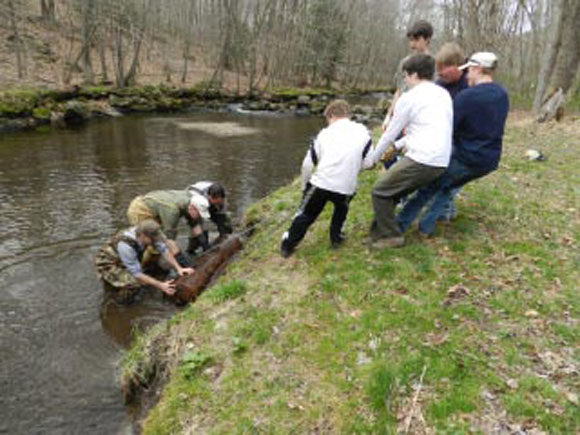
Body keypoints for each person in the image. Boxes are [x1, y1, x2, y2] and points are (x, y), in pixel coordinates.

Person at [396, 52, 509, 236]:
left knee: (428, 187)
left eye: (469, 71)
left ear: (478, 69)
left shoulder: (466, 97)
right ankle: (426, 227)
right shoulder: (502, 94)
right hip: (490, 161)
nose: (466, 76)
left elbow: (446, 129)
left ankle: (398, 225)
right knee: (447, 187)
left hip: (468, 157)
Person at [366, 53, 453, 248]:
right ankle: (377, 232)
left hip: (423, 161)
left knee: (380, 191)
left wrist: (373, 158)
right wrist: (397, 147)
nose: (404, 80)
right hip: (441, 160)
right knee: (392, 189)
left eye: (405, 75)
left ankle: (391, 236)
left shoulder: (409, 98)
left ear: (414, 75)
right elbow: (426, 130)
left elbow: (389, 133)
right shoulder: (443, 94)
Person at [280, 99, 373, 257]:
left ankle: (287, 246)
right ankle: (336, 239)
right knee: (341, 210)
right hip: (347, 186)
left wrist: (304, 187)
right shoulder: (365, 133)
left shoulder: (324, 134)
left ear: (331, 115)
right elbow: (369, 163)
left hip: (321, 184)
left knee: (305, 215)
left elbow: (307, 165)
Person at [95, 219, 194, 304]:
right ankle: (119, 304)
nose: (155, 241)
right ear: (143, 236)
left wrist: (179, 268)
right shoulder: (126, 245)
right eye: (153, 239)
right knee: (134, 284)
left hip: (124, 259)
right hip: (108, 263)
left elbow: (164, 250)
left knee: (140, 276)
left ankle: (114, 286)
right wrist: (161, 285)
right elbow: (137, 274)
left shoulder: (150, 233)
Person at [434, 42, 469, 221]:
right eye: (437, 69)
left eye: (443, 69)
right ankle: (444, 210)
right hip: (442, 138)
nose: (439, 73)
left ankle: (444, 212)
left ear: (457, 65)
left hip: (464, 141)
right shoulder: (439, 84)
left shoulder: (470, 85)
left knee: (449, 177)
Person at [126, 189, 198, 266]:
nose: (198, 216)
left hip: (156, 211)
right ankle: (141, 267)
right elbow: (168, 237)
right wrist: (181, 259)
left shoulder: (189, 199)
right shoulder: (172, 211)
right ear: (192, 208)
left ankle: (153, 264)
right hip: (139, 210)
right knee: (150, 239)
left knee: (158, 241)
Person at [186, 181, 233, 253]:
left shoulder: (222, 197)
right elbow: (200, 222)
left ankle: (222, 240)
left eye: (219, 202)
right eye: (215, 202)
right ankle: (192, 249)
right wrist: (205, 242)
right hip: (192, 202)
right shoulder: (199, 199)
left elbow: (222, 214)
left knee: (225, 226)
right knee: (197, 231)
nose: (218, 203)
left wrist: (223, 231)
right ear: (209, 197)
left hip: (207, 200)